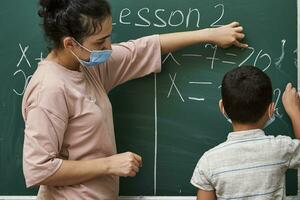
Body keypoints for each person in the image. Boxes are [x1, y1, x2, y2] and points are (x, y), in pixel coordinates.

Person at [22, 0, 248, 199]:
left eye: (108, 38)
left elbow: (141, 49)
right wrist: (109, 164)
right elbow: (38, 169)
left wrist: (209, 35)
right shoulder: (49, 89)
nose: (108, 48)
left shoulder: (86, 67)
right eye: (100, 43)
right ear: (70, 44)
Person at [191, 65, 300, 200]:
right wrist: (294, 111)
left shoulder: (208, 161)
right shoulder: (282, 148)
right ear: (270, 109)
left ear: (222, 107)